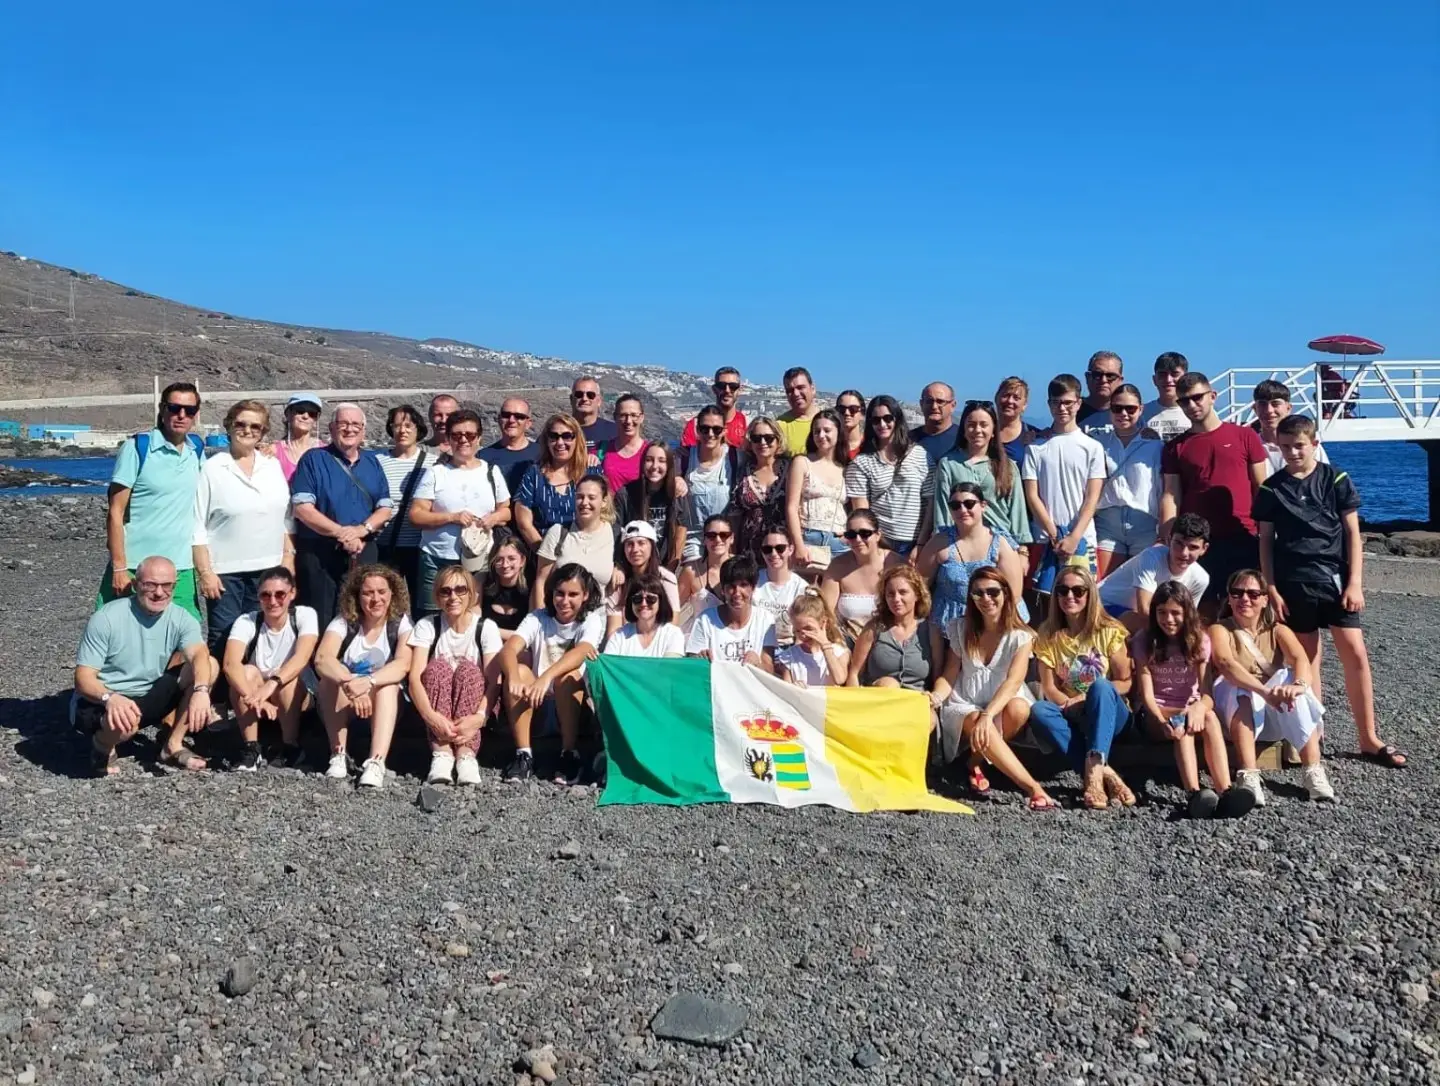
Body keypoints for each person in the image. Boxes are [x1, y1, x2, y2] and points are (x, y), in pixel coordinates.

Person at [1255, 414, 1404, 767]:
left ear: (1314, 444)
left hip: (1335, 579)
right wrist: (1271, 587)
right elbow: (1264, 540)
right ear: (1278, 445)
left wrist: (1355, 582)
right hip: (1293, 581)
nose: (1293, 452)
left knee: (1355, 654)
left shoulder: (1335, 477)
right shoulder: (1271, 488)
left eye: (1300, 446)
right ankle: (1313, 738)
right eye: (1286, 446)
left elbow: (1353, 533)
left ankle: (1368, 737)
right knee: (1306, 661)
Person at [74, 555, 218, 776]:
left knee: (209, 665)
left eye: (166, 585)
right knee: (124, 722)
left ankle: (173, 745)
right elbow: (83, 678)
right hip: (102, 700)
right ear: (135, 585)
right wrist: (110, 698)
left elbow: (198, 653)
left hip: (148, 696)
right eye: (150, 584)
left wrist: (201, 690)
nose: (159, 593)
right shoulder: (107, 618)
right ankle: (102, 746)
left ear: (174, 586)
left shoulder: (181, 617)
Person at [929, 566, 1057, 810]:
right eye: (978, 594)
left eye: (992, 592)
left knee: (1019, 708)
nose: (986, 599)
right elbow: (950, 674)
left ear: (1006, 594)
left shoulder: (1022, 636)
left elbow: (1014, 682)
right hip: (965, 701)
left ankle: (974, 761)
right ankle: (1033, 787)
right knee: (976, 717)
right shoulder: (959, 627)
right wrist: (935, 697)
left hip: (1002, 700)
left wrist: (989, 715)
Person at [1209, 569, 1333, 805]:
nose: (1244, 599)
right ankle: (1248, 774)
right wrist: (1264, 692)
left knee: (1289, 682)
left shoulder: (1278, 630)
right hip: (1235, 709)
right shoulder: (1220, 629)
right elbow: (1225, 664)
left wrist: (1298, 686)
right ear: (1229, 598)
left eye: (1253, 594)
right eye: (1237, 593)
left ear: (1265, 599)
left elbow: (1300, 660)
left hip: (1271, 712)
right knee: (1241, 688)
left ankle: (1313, 770)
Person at [1132, 582, 1251, 819]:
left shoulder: (1199, 640)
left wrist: (1198, 707)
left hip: (1191, 710)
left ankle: (1224, 789)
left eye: (1176, 613)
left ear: (1187, 612)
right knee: (1183, 723)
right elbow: (1146, 695)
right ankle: (1194, 793)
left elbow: (1207, 694)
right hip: (1156, 712)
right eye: (1162, 612)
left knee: (1208, 717)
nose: (1169, 619)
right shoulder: (1144, 640)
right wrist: (1162, 717)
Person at [193, 400, 294, 662]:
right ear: (229, 426)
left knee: (260, 633)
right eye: (241, 424)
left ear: (263, 431)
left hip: (268, 566)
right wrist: (205, 572)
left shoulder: (271, 466)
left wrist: (288, 558)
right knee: (223, 635)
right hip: (225, 571)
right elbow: (197, 525)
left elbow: (285, 517)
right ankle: (217, 697)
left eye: (255, 426)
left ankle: (249, 694)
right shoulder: (213, 468)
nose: (247, 430)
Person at [1028, 566, 1136, 810]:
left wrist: (1085, 697)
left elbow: (1126, 682)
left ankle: (1094, 769)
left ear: (1090, 594)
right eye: (1063, 590)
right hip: (1073, 712)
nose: (1070, 597)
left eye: (1078, 590)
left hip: (1109, 713)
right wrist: (1068, 704)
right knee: (1040, 711)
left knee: (1100, 685)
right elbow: (1049, 687)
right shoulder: (1047, 633)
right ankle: (1104, 773)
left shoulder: (1109, 630)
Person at [1160, 372, 1268, 609]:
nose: (1192, 405)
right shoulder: (1174, 447)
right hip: (1198, 542)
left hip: (1243, 535)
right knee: (1202, 609)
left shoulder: (1245, 436)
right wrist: (1167, 530)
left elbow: (1261, 486)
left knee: (1244, 607)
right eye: (1184, 401)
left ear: (1212, 396)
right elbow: (1171, 493)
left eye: (1197, 397)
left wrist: (1267, 530)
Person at [102, 381, 206, 621]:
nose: (181, 415)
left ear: (196, 415)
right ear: (162, 409)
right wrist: (119, 567)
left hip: (180, 567)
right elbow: (115, 511)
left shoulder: (197, 450)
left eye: (189, 410)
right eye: (174, 408)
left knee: (185, 636)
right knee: (118, 634)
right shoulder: (137, 448)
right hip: (136, 565)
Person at [290, 403, 394, 631]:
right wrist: (342, 534)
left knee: (363, 612)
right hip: (321, 552)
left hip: (363, 549)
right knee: (321, 616)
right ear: (331, 427)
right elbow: (302, 507)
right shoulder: (314, 459)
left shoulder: (373, 463)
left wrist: (360, 531)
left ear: (364, 430)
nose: (349, 429)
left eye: (355, 424)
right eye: (343, 423)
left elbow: (385, 508)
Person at [500, 562, 607, 784]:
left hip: (572, 705)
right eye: (560, 593)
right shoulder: (538, 617)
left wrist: (545, 677)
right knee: (518, 670)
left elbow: (583, 651)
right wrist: (512, 676)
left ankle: (569, 753)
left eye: (573, 594)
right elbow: (510, 648)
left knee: (567, 677)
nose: (564, 601)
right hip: (537, 702)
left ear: (585, 595)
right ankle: (523, 754)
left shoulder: (591, 620)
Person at [312, 563, 413, 789]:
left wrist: (367, 682)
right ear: (357, 596)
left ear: (392, 594)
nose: (375, 599)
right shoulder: (344, 621)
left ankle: (376, 762)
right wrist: (350, 684)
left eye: (381, 592)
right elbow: (322, 658)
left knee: (389, 686)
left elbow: (403, 664)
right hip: (345, 702)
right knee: (329, 682)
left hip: (382, 702)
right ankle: (338, 754)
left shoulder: (400, 623)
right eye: (368, 593)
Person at [407, 565, 503, 787]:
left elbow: (493, 682)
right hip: (436, 704)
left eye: (460, 590)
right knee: (437, 667)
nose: (453, 597)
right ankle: (442, 753)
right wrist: (431, 717)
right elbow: (414, 679)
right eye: (445, 591)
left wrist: (479, 718)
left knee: (469, 670)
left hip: (475, 705)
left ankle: (466, 754)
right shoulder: (427, 626)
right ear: (437, 596)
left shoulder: (486, 628)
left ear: (471, 594)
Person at [410, 408, 513, 606]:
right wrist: (452, 517)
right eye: (457, 435)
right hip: (437, 559)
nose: (463, 440)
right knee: (431, 618)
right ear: (448, 439)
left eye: (470, 435)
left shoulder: (491, 472)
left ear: (479, 438)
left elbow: (506, 510)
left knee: (471, 618)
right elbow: (416, 515)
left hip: (478, 559)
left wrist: (493, 518)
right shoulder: (436, 473)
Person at [222, 566, 318, 771]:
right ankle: (251, 748)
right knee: (245, 672)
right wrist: (254, 697)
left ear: (292, 594)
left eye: (280, 594)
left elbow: (302, 657)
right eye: (265, 595)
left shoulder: (304, 615)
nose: (272, 601)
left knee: (288, 680)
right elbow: (230, 664)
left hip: (294, 694)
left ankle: (290, 745)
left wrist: (271, 686)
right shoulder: (247, 621)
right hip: (258, 697)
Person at [1022, 375, 1107, 592]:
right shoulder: (1035, 448)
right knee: (1044, 604)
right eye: (1056, 402)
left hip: (1082, 539)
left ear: (1078, 403)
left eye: (1068, 402)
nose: (1062, 408)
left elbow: (1092, 497)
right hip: (1044, 539)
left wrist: (1074, 536)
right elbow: (1032, 495)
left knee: (1081, 601)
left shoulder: (1093, 447)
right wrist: (1054, 535)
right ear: (1049, 404)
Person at [916, 482, 1027, 638]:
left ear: (983, 506)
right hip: (947, 624)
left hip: (994, 622)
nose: (962, 510)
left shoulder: (1001, 544)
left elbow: (1014, 594)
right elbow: (920, 586)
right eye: (955, 505)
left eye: (969, 504)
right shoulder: (938, 543)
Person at [931, 400, 1030, 546]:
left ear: (993, 430)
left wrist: (1022, 550)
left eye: (984, 425)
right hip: (960, 543)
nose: (977, 430)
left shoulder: (1007, 466)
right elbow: (942, 511)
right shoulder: (949, 464)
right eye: (971, 425)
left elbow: (1017, 512)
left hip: (1001, 543)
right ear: (964, 430)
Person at [845, 395, 934, 554]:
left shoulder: (921, 456)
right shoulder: (862, 463)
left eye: (887, 418)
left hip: (914, 542)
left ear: (897, 419)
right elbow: (861, 512)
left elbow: (930, 503)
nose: (882, 424)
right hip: (880, 543)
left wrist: (921, 544)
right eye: (876, 420)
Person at [1093, 383, 1164, 579]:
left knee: (1141, 590)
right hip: (1107, 522)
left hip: (1145, 523)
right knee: (1104, 588)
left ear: (1140, 409)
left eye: (1130, 409)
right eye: (1117, 408)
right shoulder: (1097, 444)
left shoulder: (1155, 445)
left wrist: (1163, 529)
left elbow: (1162, 488)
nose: (1123, 413)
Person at [1097, 513, 1211, 628]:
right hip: (1102, 605)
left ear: (1204, 548)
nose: (1184, 553)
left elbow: (1187, 617)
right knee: (1143, 625)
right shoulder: (1150, 557)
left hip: (1140, 613)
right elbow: (1144, 610)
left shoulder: (1201, 578)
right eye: (1178, 543)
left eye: (1193, 547)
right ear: (1169, 539)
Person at [375, 404, 435, 615]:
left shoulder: (432, 463)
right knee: (386, 602)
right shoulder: (377, 460)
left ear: (418, 428)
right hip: (384, 543)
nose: (402, 430)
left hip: (419, 544)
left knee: (421, 603)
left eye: (408, 425)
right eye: (397, 425)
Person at [849, 565, 943, 691]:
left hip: (915, 701)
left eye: (903, 592)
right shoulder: (874, 628)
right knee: (889, 684)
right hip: (880, 699)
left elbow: (938, 675)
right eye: (890, 594)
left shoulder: (931, 631)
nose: (896, 599)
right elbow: (854, 673)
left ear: (917, 595)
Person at [820, 509, 906, 642]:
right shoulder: (837, 566)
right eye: (851, 535)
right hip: (846, 639)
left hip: (888, 640)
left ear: (878, 535)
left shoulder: (896, 564)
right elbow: (826, 612)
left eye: (865, 533)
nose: (858, 539)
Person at [534, 475, 617, 609]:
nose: (584, 502)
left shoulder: (615, 534)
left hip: (598, 619)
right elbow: (541, 581)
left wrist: (620, 568)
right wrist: (540, 620)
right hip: (559, 616)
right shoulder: (558, 533)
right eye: (580, 497)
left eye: (591, 497)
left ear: (604, 502)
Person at [785, 408, 849, 572]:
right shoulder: (802, 462)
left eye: (827, 430)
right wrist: (798, 544)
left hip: (838, 540)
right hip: (809, 537)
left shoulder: (845, 468)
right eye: (816, 431)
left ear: (838, 432)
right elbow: (791, 507)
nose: (821, 435)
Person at [685, 556, 777, 668]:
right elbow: (691, 666)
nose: (737, 593)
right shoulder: (705, 619)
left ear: (753, 588)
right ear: (723, 590)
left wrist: (758, 663)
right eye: (731, 587)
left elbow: (769, 669)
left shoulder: (765, 619)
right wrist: (699, 659)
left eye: (743, 585)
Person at [513, 413, 588, 549]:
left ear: (577, 439)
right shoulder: (534, 474)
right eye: (554, 437)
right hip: (544, 552)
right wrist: (545, 554)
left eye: (567, 436)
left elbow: (604, 514)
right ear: (547, 441)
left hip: (584, 550)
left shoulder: (590, 472)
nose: (560, 443)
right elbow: (524, 522)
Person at [680, 406, 740, 562]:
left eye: (716, 429)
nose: (710, 434)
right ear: (697, 430)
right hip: (693, 542)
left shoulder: (735, 458)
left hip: (724, 541)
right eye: (705, 429)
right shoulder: (684, 458)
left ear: (724, 431)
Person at [615, 442, 687, 567]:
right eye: (649, 460)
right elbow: (617, 532)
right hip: (633, 566)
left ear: (669, 465)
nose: (654, 466)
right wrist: (618, 566)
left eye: (661, 461)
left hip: (664, 566)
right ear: (642, 463)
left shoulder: (676, 493)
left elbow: (681, 530)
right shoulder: (625, 494)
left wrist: (672, 566)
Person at [606, 520, 681, 637]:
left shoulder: (666, 578)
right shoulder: (618, 581)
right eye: (630, 544)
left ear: (652, 546)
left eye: (641, 543)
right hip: (626, 644)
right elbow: (613, 630)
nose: (635, 549)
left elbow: (672, 624)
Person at [731, 416, 790, 559]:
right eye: (756, 438)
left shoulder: (791, 469)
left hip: (783, 549)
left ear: (778, 440)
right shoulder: (742, 473)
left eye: (769, 438)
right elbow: (735, 515)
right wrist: (732, 550)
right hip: (749, 550)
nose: (762, 442)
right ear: (750, 443)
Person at [1252, 380, 1331, 474]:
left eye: (1275, 404)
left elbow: (1326, 480)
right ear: (1255, 409)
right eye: (1262, 404)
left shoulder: (1308, 445)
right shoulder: (1251, 446)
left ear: (1288, 408)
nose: (1269, 410)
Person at [774, 591, 851, 686]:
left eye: (808, 629)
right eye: (798, 631)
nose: (803, 635)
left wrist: (825, 645)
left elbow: (839, 679)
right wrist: (794, 687)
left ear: (823, 623)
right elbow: (786, 689)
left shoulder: (839, 652)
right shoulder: (790, 656)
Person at [604, 573, 686, 657]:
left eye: (650, 599)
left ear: (660, 602)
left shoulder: (673, 634)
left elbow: (669, 668)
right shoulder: (619, 636)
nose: (643, 604)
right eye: (637, 599)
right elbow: (609, 666)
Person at [678, 514, 733, 632]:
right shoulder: (691, 571)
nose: (718, 540)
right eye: (711, 536)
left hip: (734, 641)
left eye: (724, 535)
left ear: (732, 538)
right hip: (699, 639)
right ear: (704, 539)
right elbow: (673, 609)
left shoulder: (742, 566)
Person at [752, 527, 805, 646]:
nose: (774, 554)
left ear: (790, 549)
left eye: (780, 548)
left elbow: (803, 632)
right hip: (756, 645)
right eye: (767, 549)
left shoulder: (801, 587)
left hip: (789, 647)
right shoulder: (752, 582)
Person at [481, 397, 540, 496]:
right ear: (499, 419)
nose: (511, 420)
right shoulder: (483, 458)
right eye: (506, 415)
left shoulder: (542, 454)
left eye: (519, 416)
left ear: (528, 423)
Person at [681, 367, 749, 448]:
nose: (727, 390)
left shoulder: (748, 426)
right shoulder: (696, 426)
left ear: (740, 390)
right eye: (722, 386)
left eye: (733, 386)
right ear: (714, 389)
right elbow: (687, 457)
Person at [480, 531, 531, 635]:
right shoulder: (481, 580)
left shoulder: (533, 586)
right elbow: (475, 625)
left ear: (522, 561)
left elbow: (533, 632)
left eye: (511, 558)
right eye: (499, 559)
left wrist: (490, 632)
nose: (505, 565)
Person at [601, 394, 649, 493]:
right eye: (623, 415)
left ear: (641, 417)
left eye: (633, 415)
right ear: (615, 417)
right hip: (609, 508)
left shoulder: (650, 452)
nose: (628, 421)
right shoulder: (602, 450)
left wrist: (679, 480)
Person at [1140, 352, 1190, 442]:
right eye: (1162, 374)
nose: (1168, 380)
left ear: (1185, 378)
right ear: (1154, 380)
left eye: (1174, 374)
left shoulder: (1197, 412)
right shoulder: (1141, 414)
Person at [273, 394, 324, 483]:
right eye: (300, 410)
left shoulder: (325, 451)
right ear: (288, 414)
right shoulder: (273, 451)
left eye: (312, 413)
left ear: (316, 420)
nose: (305, 416)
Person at [911, 382, 959, 467]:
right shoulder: (907, 440)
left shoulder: (964, 439)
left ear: (953, 405)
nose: (934, 406)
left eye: (940, 401)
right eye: (929, 401)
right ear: (921, 404)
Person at [1076, 350, 1123, 435]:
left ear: (1120, 380)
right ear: (1087, 377)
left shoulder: (1129, 413)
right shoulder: (1072, 410)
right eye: (1097, 375)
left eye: (1110, 376)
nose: (1103, 380)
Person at [570, 376, 617, 461]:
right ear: (571, 399)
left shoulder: (615, 432)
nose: (584, 398)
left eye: (590, 395)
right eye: (579, 394)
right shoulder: (557, 432)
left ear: (599, 401)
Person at [995, 376, 1040, 464]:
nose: (1010, 401)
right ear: (996, 398)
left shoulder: (1035, 436)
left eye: (1016, 398)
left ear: (1024, 405)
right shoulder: (984, 432)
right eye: (1005, 395)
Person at [775, 366, 820, 453]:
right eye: (790, 390)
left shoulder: (829, 422)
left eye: (800, 387)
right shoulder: (779, 426)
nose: (796, 394)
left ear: (813, 389)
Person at [835, 389, 867, 463]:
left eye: (853, 409)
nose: (847, 413)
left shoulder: (871, 445)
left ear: (862, 413)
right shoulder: (830, 446)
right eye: (841, 409)